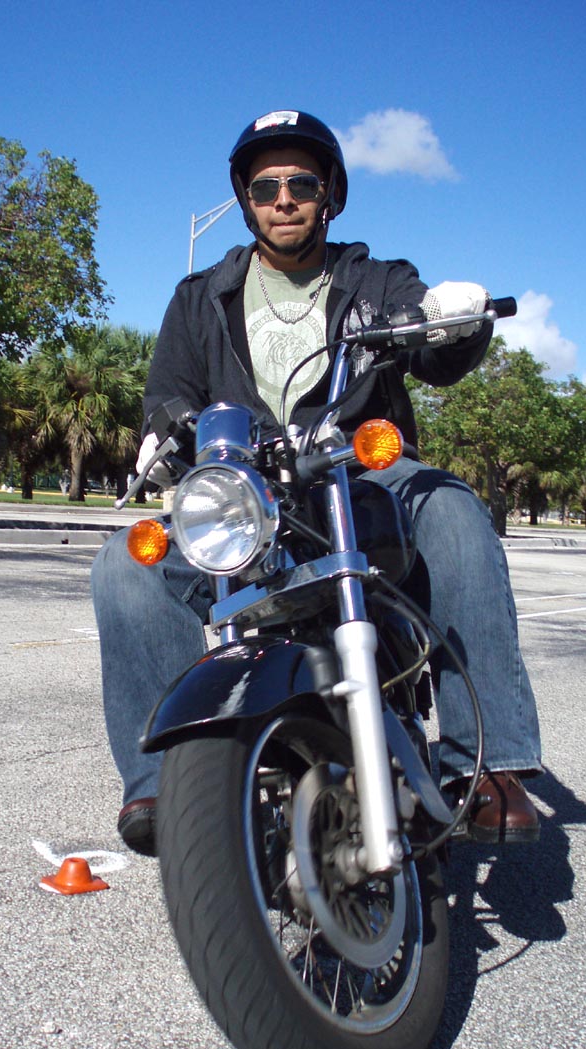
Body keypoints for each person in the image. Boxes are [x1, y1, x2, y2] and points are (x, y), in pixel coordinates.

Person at [91, 109, 541, 856]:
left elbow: (432, 350)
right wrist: (161, 438)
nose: (284, 198)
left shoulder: (375, 280)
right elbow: (168, 397)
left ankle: (484, 763)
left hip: (360, 475)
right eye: (265, 186)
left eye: (301, 183)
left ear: (330, 192)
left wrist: (455, 321)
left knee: (452, 508)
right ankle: (162, 780)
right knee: (125, 562)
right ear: (246, 199)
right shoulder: (199, 297)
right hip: (248, 496)